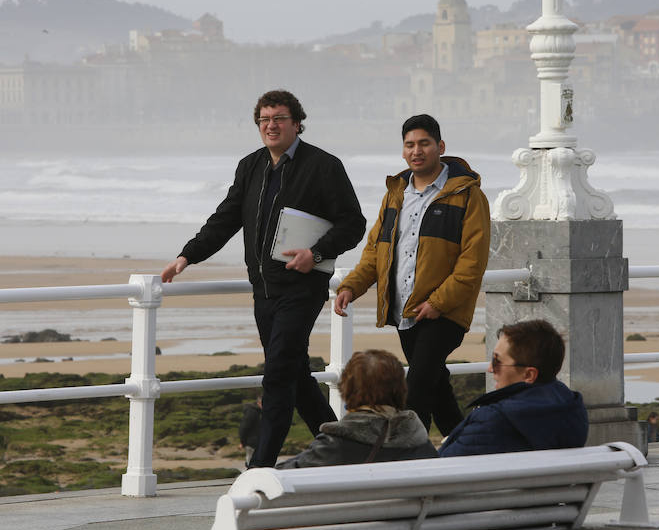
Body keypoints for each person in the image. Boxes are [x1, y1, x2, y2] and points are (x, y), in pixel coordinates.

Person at [161, 89, 366, 468]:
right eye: (264, 120)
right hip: (264, 291)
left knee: (275, 377)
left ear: (297, 123)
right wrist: (187, 255)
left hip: (301, 289)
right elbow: (226, 218)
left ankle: (259, 469)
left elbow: (353, 224)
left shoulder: (323, 166)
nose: (271, 126)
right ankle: (345, 450)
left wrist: (315, 253)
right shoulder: (251, 166)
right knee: (296, 374)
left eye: (279, 119)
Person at [333, 114, 490, 436]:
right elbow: (376, 250)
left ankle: (407, 460)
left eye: (424, 143)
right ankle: (465, 451)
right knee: (437, 389)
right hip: (406, 311)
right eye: (410, 145)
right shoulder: (396, 194)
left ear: (440, 147)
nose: (416, 150)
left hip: (444, 312)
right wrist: (352, 286)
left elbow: (472, 261)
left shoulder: (468, 195)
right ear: (403, 151)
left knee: (415, 391)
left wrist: (437, 302)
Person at [438, 319, 588, 457]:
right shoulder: (573, 412)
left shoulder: (493, 421)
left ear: (529, 375)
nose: (490, 368)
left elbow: (436, 473)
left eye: (497, 361)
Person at [276, 350, 439, 469]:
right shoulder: (420, 441)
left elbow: (284, 476)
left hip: (358, 516)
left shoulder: (335, 444)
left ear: (348, 389)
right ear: (401, 388)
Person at [238, 395, 262, 468]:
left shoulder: (259, 412)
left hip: (257, 442)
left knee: (255, 463)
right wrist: (242, 442)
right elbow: (243, 427)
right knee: (251, 463)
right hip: (250, 442)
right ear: (259, 403)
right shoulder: (252, 412)